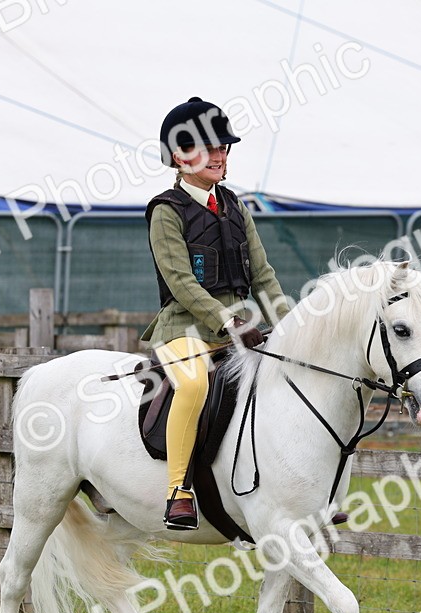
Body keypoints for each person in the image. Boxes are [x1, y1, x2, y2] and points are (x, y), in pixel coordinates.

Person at [144, 96, 289, 530]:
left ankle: (294, 492)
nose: (218, 155)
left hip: (238, 328)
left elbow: (262, 274)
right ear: (178, 156)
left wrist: (289, 324)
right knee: (193, 385)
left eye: (222, 147)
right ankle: (178, 491)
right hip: (184, 329)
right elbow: (180, 282)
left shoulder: (235, 205)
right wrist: (227, 321)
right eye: (207, 148)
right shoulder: (165, 211)